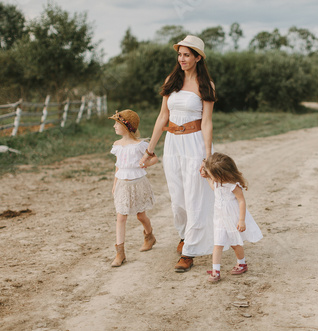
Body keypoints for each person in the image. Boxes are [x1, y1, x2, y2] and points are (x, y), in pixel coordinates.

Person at [140, 35, 216, 272]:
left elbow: (207, 122)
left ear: (197, 57)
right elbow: (163, 116)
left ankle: (189, 251)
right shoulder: (172, 80)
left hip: (194, 144)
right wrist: (150, 149)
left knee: (194, 196)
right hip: (173, 143)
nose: (181, 59)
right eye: (179, 54)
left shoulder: (206, 86)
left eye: (186, 55)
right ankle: (184, 235)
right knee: (178, 198)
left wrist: (207, 156)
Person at [201, 152, 263, 282]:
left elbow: (241, 201)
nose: (211, 178)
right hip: (219, 218)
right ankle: (215, 271)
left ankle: (242, 263)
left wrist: (241, 220)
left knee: (235, 243)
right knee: (217, 243)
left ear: (222, 175)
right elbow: (214, 188)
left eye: (212, 175)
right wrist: (207, 177)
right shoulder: (217, 181)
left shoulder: (233, 186)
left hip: (232, 218)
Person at [109, 109, 158, 267]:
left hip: (138, 184)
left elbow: (154, 158)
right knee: (121, 217)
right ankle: (120, 253)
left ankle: (149, 235)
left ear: (127, 126)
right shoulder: (117, 145)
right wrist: (115, 184)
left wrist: (146, 163)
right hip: (123, 184)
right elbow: (118, 166)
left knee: (140, 215)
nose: (114, 127)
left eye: (117, 123)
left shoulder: (140, 145)